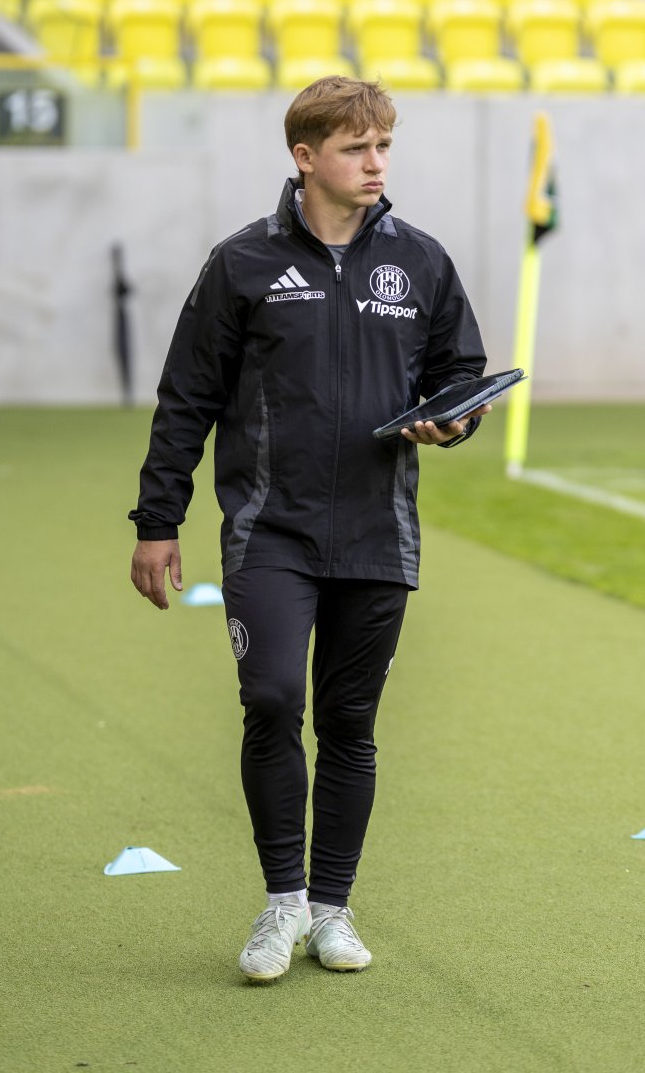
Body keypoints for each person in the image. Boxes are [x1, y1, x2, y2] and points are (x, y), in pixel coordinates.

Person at [129, 77, 489, 982]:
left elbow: (462, 375)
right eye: (356, 148)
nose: (376, 164)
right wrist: (158, 519)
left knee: (350, 722)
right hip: (270, 532)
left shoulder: (423, 261)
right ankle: (281, 901)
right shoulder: (241, 263)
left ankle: (332, 908)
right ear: (305, 157)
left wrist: (452, 421)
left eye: (384, 146)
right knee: (273, 699)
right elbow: (187, 397)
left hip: (377, 533)